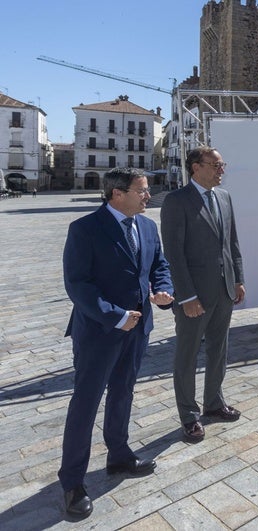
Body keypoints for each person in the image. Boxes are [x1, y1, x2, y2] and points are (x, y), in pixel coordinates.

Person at [59, 168, 174, 518]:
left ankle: (119, 455)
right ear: (116, 194)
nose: (147, 196)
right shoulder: (84, 229)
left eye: (147, 189)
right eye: (141, 190)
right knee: (86, 402)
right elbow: (78, 285)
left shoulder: (148, 226)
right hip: (99, 330)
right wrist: (115, 316)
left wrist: (164, 288)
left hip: (138, 329)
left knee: (123, 392)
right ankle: (72, 482)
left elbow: (158, 264)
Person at [160, 146, 246, 443]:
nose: (221, 170)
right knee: (187, 355)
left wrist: (238, 279)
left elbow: (231, 242)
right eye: (216, 165)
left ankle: (214, 403)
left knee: (218, 350)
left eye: (223, 165)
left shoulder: (224, 197)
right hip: (193, 296)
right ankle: (188, 416)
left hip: (224, 289)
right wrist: (186, 297)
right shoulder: (176, 202)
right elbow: (173, 254)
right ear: (196, 167)